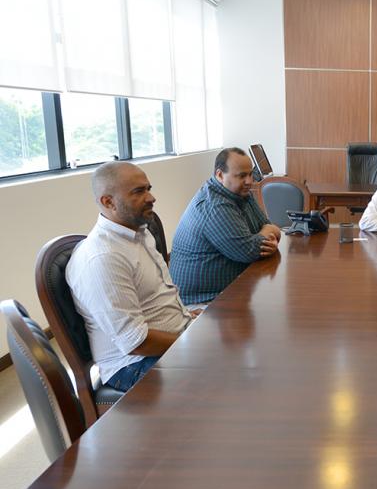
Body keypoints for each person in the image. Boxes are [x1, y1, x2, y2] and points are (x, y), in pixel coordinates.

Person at [67, 162, 198, 391]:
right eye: (139, 191)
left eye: (148, 188)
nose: (151, 197)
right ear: (108, 202)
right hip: (134, 364)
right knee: (232, 370)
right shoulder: (103, 257)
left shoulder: (139, 233)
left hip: (169, 341)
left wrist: (187, 318)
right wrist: (194, 342)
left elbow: (155, 299)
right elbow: (137, 343)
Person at [169, 147, 282, 305]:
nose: (249, 181)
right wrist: (268, 233)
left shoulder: (240, 193)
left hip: (231, 291)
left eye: (250, 174)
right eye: (242, 176)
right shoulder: (215, 206)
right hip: (203, 302)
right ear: (220, 175)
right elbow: (249, 251)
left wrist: (268, 233)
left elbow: (268, 227)